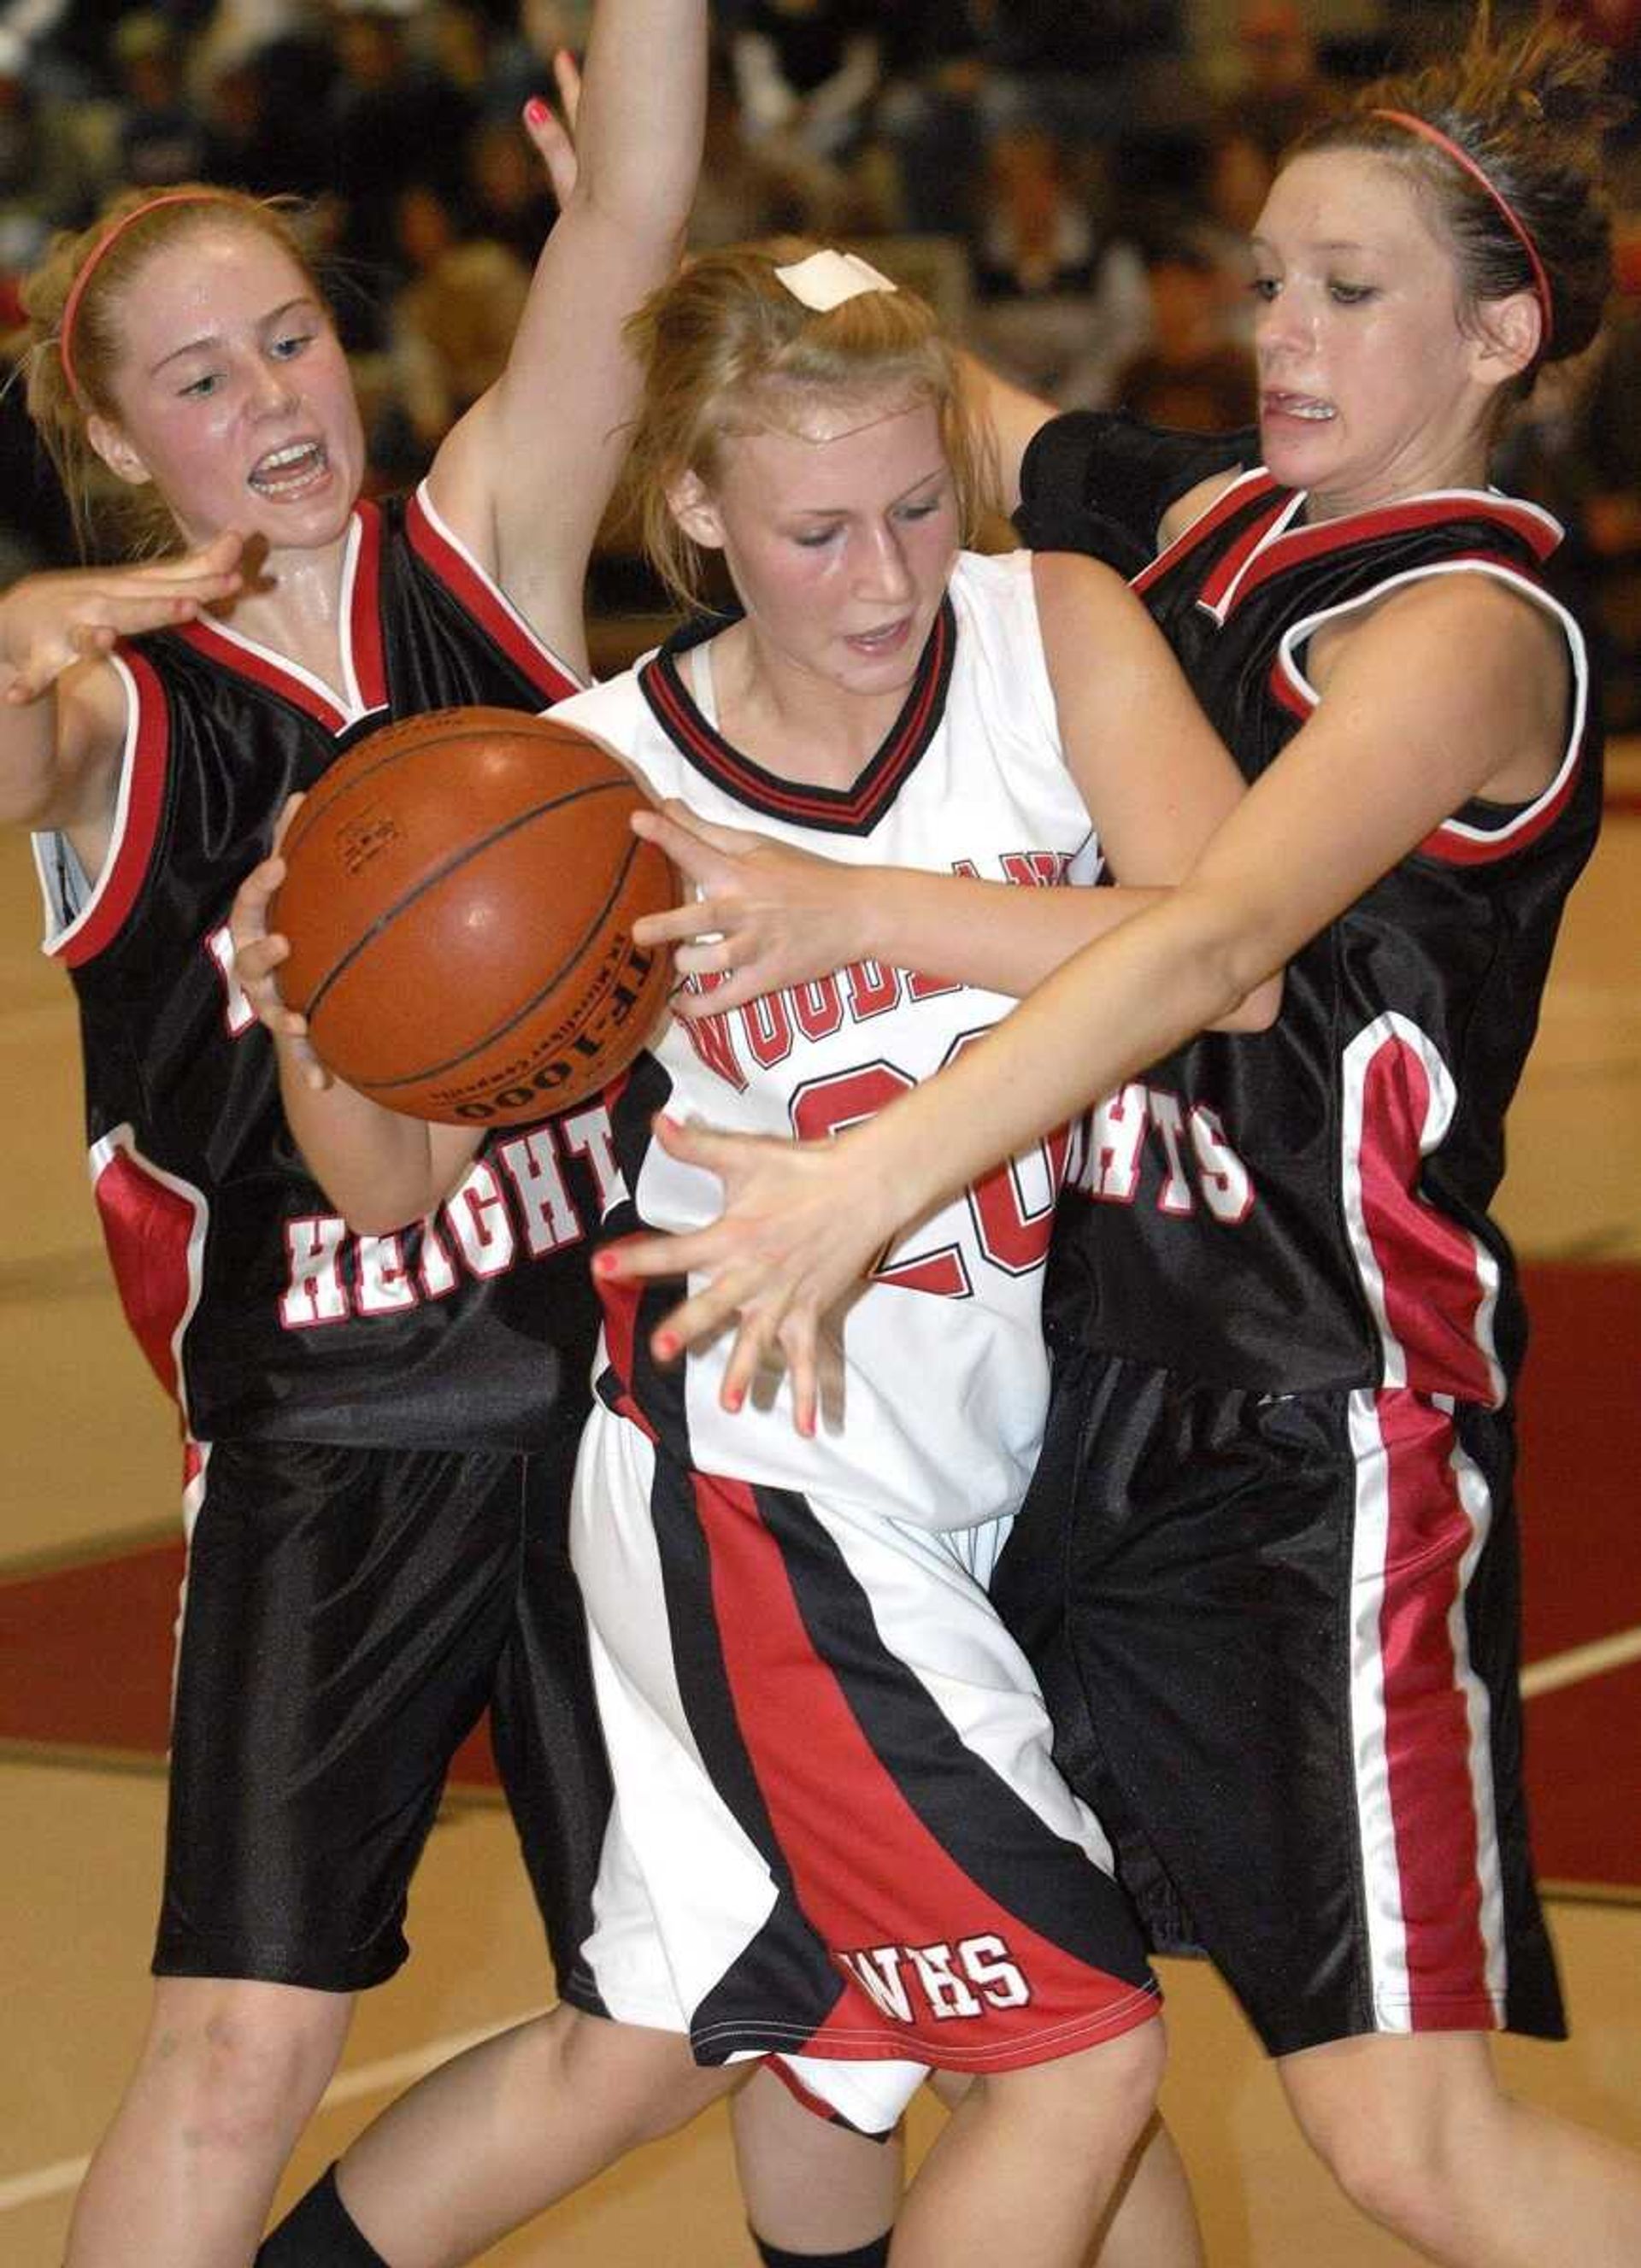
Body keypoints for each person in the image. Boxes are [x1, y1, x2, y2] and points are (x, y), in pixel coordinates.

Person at [595, 21, 1641, 2268]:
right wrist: (674, 211)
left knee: (1411, 2142)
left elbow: (1215, 944)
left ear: (1505, 328)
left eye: (1349, 292)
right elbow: (935, 391)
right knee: (1048, 2031)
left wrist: (863, 1151)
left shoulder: (1465, 630)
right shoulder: (1211, 521)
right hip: (1098, 1397)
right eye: (1266, 276)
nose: (1279, 334)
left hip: (1316, 1420)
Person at [226, 234, 1287, 2268]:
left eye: (916, 507)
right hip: (762, 1495)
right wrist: (308, 1006)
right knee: (1075, 2057)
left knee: (631, 2055)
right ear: (698, 510)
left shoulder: (1053, 627)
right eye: (816, 531)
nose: (887, 579)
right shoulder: (587, 786)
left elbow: (1225, 955)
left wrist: (851, 905)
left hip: (973, 1487)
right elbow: (385, 1180)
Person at [0, 9, 826, 2263]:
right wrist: (18, 633)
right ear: (106, 433)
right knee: (242, 2041)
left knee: (710, 1995)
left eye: (287, 339)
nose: (269, 396)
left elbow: (637, 190)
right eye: (199, 377)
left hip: (606, 1392)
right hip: (336, 1426)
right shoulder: (106, 708)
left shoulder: (480, 543)